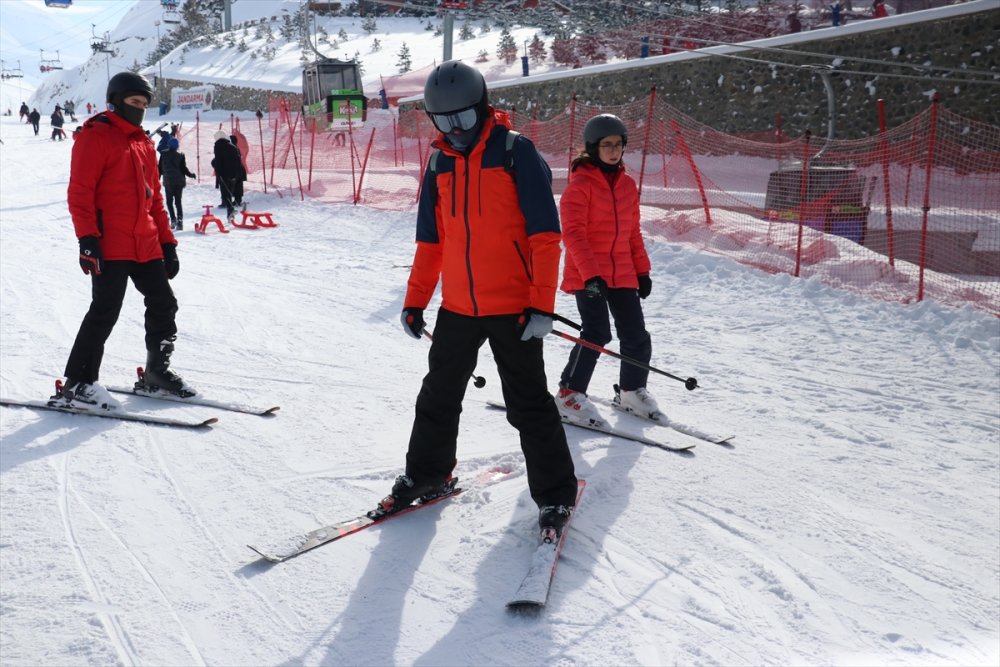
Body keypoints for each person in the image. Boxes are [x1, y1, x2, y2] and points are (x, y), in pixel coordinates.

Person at [385, 60, 578, 538]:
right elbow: (431, 242)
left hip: (514, 309)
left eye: (464, 118)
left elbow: (545, 237)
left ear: (484, 107)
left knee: (528, 405)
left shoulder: (515, 152)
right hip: (458, 308)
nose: (455, 130)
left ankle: (555, 494)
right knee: (437, 396)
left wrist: (541, 305)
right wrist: (415, 301)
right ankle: (428, 474)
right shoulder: (439, 163)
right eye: (443, 121)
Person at [54, 71, 193, 411]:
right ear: (116, 102)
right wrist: (87, 239)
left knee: (164, 303)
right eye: (133, 102)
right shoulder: (95, 136)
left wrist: (167, 243)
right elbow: (80, 193)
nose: (139, 108)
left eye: (144, 104)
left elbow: (155, 200)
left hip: (145, 242)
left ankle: (156, 373)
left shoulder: (143, 143)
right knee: (105, 311)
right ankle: (79, 383)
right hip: (110, 243)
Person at [555, 114, 663, 427]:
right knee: (597, 332)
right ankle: (569, 394)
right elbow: (573, 234)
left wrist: (642, 271)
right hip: (588, 275)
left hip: (623, 272)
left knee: (636, 334)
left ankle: (631, 390)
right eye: (607, 145)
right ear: (593, 148)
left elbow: (632, 232)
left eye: (618, 144)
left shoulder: (627, 185)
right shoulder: (580, 187)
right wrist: (591, 275)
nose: (614, 151)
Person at [158, 137, 197, 230]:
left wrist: (157, 179)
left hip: (168, 182)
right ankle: (180, 222)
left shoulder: (163, 154)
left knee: (169, 202)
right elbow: (184, 169)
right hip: (179, 182)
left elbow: (159, 169)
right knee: (178, 202)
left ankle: (173, 220)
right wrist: (191, 175)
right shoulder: (180, 155)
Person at [211, 130, 243, 222]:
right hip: (234, 174)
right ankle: (230, 213)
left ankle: (230, 211)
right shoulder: (233, 146)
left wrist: (219, 173)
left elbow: (218, 161)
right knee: (230, 193)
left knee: (225, 195)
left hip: (224, 174)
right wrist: (237, 173)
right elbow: (238, 160)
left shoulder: (218, 146)